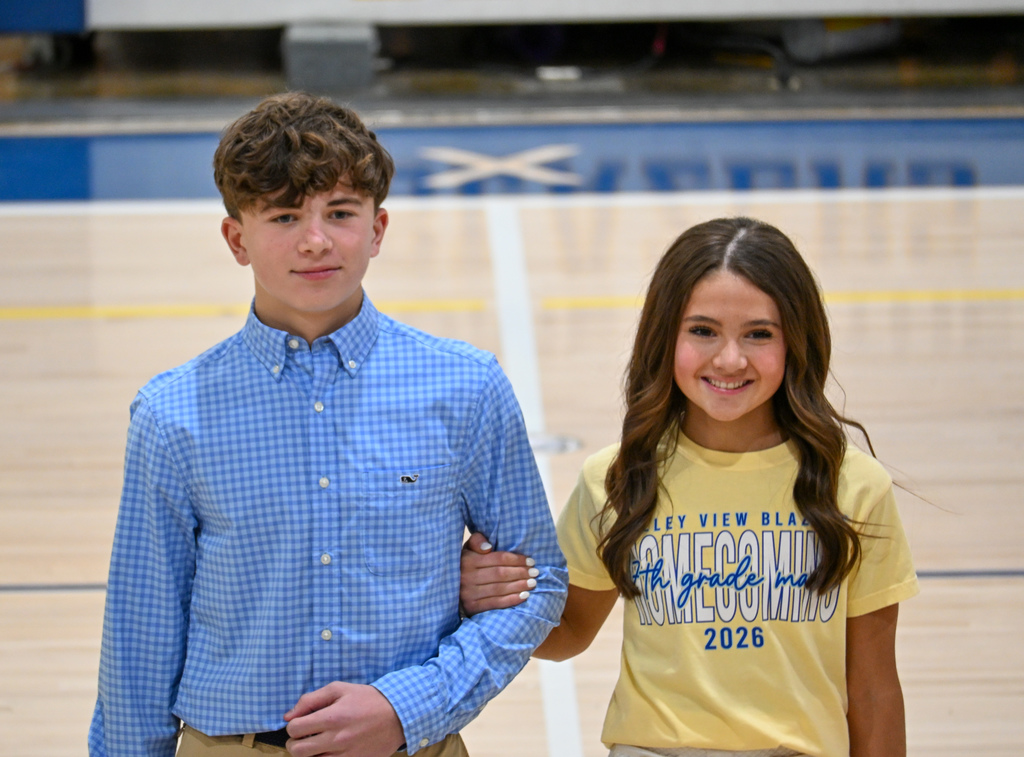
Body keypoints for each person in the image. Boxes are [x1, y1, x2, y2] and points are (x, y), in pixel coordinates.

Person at [88, 92, 567, 757]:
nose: (316, 239)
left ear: (377, 229)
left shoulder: (466, 387)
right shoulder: (172, 414)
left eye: (340, 213)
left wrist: (410, 706)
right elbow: (140, 636)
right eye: (285, 215)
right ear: (237, 239)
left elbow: (537, 583)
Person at [460, 217, 919, 757]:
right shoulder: (616, 478)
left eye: (759, 333)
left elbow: (873, 691)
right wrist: (484, 597)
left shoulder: (854, 487)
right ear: (665, 336)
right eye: (703, 330)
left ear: (797, 339)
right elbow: (566, 632)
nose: (730, 358)